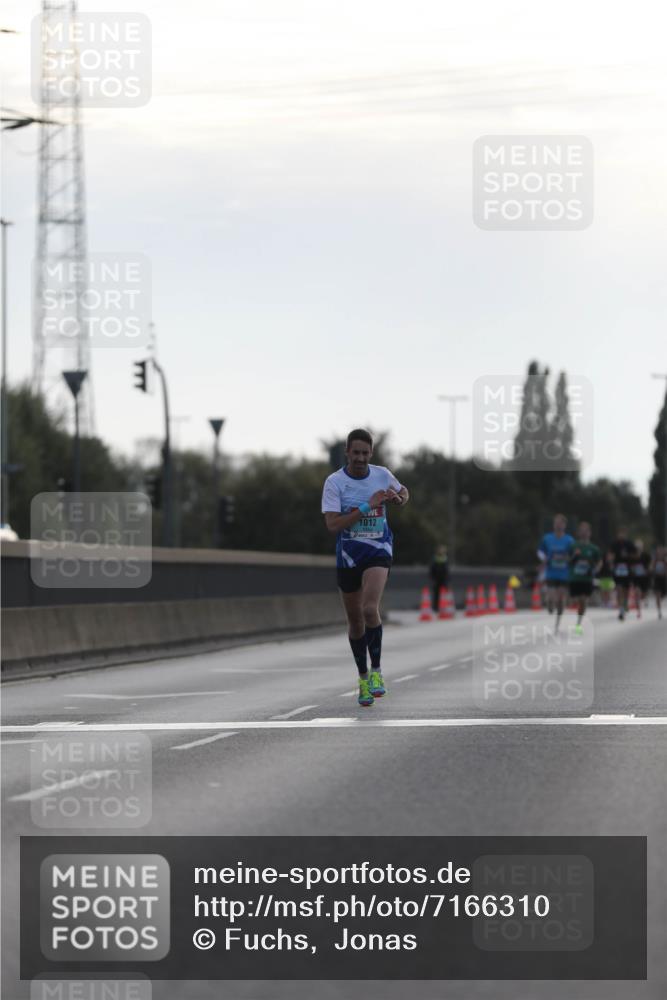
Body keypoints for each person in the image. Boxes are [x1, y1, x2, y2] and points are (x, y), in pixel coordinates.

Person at [321, 429, 409, 707]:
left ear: (371, 454)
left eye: (365, 453)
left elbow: (404, 491)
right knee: (356, 621)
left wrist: (399, 499)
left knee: (370, 609)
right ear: (347, 452)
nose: (360, 458)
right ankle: (362, 678)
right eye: (355, 453)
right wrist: (365, 506)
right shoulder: (335, 482)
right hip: (348, 555)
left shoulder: (382, 475)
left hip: (378, 550)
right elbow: (333, 525)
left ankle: (377, 672)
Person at [537, 514, 575, 631]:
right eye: (556, 523)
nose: (558, 525)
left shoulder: (569, 540)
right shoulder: (547, 538)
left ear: (564, 525)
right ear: (553, 525)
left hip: (564, 574)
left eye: (560, 523)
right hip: (551, 572)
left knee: (561, 600)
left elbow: (574, 554)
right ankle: (549, 603)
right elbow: (540, 551)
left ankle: (558, 622)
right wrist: (543, 559)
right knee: (551, 596)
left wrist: (570, 558)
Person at [568, 522, 602, 633]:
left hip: (587, 579)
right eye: (581, 531)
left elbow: (599, 561)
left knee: (583, 600)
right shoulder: (573, 546)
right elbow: (567, 560)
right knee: (576, 601)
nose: (584, 533)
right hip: (575, 578)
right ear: (579, 533)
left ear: (589, 533)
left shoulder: (594, 549)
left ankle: (578, 623)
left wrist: (596, 569)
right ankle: (577, 614)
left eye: (586, 531)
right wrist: (574, 556)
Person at [609, 528, 637, 621]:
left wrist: (628, 556)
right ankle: (621, 609)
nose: (621, 535)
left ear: (625, 534)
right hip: (617, 569)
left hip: (627, 569)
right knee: (619, 588)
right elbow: (610, 555)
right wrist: (611, 561)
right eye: (619, 533)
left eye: (623, 533)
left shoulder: (629, 544)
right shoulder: (614, 544)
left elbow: (635, 555)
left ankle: (625, 603)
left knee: (626, 589)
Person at [630, 540, 651, 618]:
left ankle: (644, 599)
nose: (638, 548)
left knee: (643, 594)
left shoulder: (646, 555)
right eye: (637, 547)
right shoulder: (633, 556)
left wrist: (647, 570)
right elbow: (630, 565)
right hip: (636, 577)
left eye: (639, 547)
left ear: (642, 547)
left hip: (644, 578)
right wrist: (632, 569)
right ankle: (639, 611)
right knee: (637, 592)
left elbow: (650, 565)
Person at [429, 544, 450, 612]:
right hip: (437, 579)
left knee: (444, 593)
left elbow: (447, 570)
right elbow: (432, 568)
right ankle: (436, 607)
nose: (442, 551)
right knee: (436, 594)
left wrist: (447, 577)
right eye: (440, 549)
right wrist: (432, 577)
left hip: (444, 579)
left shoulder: (445, 558)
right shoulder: (435, 558)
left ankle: (445, 606)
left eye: (443, 549)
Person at [651, 545, 666, 620]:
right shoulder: (655, 561)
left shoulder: (665, 561)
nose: (660, 554)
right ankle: (659, 611)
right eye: (658, 552)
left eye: (661, 552)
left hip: (664, 580)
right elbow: (651, 569)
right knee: (658, 596)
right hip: (657, 579)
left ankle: (660, 602)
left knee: (662, 595)